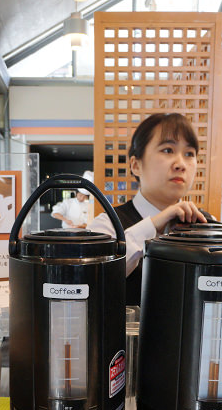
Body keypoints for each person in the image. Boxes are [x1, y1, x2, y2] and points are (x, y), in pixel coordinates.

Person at [88, 113, 207, 305]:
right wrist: (154, 224)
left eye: (189, 154)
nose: (181, 164)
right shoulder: (108, 225)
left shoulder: (204, 226)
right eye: (168, 150)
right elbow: (91, 281)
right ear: (136, 165)